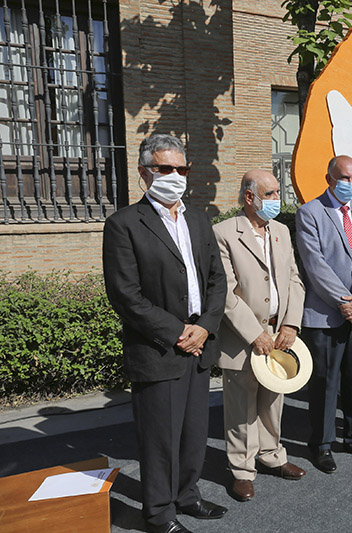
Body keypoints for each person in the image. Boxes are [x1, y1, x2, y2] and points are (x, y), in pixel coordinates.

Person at [103, 134, 228, 533]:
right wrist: (177, 332)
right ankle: (158, 513)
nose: (175, 176)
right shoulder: (123, 224)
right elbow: (126, 295)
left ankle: (187, 496)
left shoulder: (197, 218)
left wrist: (205, 327)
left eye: (182, 169)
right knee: (160, 440)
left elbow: (217, 281)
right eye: (165, 169)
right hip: (160, 350)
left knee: (193, 433)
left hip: (199, 346)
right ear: (144, 173)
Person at [213, 170, 306, 502]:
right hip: (242, 338)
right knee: (240, 409)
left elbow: (294, 279)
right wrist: (254, 333)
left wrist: (291, 324)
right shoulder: (223, 233)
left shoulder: (280, 231)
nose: (277, 200)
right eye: (270, 194)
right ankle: (241, 469)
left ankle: (271, 455)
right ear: (249, 197)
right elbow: (223, 292)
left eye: (278, 192)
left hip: (280, 334)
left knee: (272, 401)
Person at [295, 155, 352, 473]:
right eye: (344, 178)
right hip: (326, 315)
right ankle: (321, 444)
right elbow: (314, 265)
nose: (350, 184)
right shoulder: (309, 213)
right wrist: (347, 305)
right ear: (328, 177)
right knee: (325, 381)